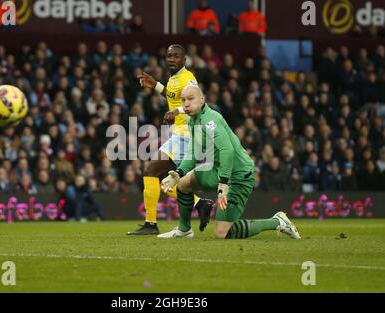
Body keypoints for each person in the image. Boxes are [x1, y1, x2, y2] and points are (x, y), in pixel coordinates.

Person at [158, 85, 301, 240]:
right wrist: (178, 174)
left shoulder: (210, 120)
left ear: (202, 99)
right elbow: (193, 153)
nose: (186, 103)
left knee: (221, 233)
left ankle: (277, 221)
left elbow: (227, 151)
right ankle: (184, 230)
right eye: (183, 100)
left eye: (190, 99)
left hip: (238, 174)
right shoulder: (193, 120)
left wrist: (224, 182)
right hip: (217, 169)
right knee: (183, 184)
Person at [128, 44, 213, 235]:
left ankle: (151, 224)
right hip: (178, 133)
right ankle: (200, 205)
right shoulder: (174, 78)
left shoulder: (188, 78)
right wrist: (156, 85)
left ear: (184, 60)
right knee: (164, 181)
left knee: (152, 171)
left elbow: (199, 103)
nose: (171, 60)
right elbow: (173, 95)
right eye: (168, 56)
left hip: (187, 134)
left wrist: (178, 110)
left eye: (175, 56)